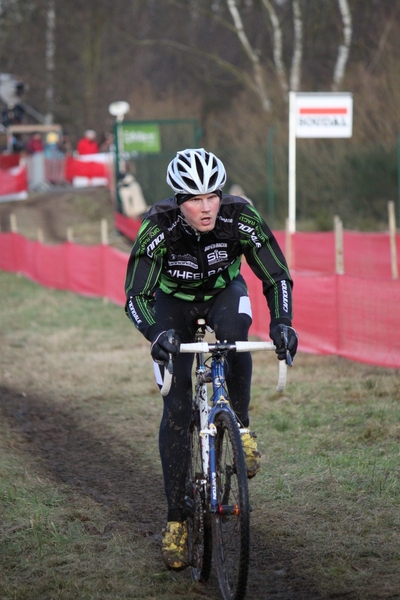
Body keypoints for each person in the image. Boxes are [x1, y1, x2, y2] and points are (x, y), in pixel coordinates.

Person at [124, 148, 298, 571]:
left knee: (236, 334)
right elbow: (135, 297)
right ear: (178, 200)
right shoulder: (157, 228)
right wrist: (156, 333)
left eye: (211, 196)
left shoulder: (241, 217)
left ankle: (240, 425)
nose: (205, 207)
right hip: (171, 304)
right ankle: (177, 519)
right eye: (194, 199)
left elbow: (276, 275)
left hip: (223, 293)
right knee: (178, 406)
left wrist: (283, 324)